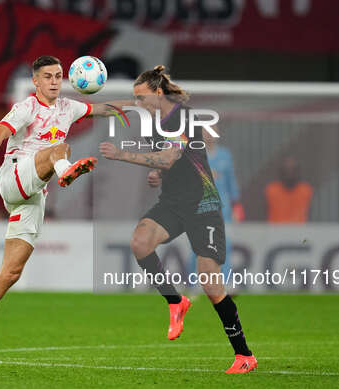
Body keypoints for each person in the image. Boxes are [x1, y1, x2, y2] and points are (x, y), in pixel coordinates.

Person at [0, 55, 129, 361]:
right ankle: (65, 171)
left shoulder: (69, 108)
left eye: (58, 76)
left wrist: (140, 102)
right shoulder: (26, 107)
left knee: (11, 272)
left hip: (33, 195)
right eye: (48, 76)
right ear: (35, 81)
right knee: (59, 149)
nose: (55, 81)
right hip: (14, 177)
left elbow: (101, 109)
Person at [99, 65, 257, 374]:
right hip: (173, 202)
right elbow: (175, 162)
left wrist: (122, 155)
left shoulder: (183, 117)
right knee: (140, 242)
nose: (139, 103)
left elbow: (170, 156)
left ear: (158, 93)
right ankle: (176, 301)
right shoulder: (157, 123)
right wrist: (158, 173)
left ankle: (244, 355)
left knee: (210, 279)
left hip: (203, 204)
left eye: (141, 98)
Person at [188, 130, 243, 283]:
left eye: (213, 130)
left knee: (224, 245)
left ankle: (224, 283)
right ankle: (192, 283)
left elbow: (231, 181)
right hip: (200, 207)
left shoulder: (225, 155)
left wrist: (236, 205)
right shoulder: (194, 153)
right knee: (198, 247)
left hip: (223, 209)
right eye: (206, 131)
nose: (210, 134)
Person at [265, 156, 313, 223]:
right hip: (275, 230)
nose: (290, 174)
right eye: (286, 170)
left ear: (298, 172)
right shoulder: (271, 190)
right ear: (281, 172)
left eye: (293, 170)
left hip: (299, 230)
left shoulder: (305, 190)